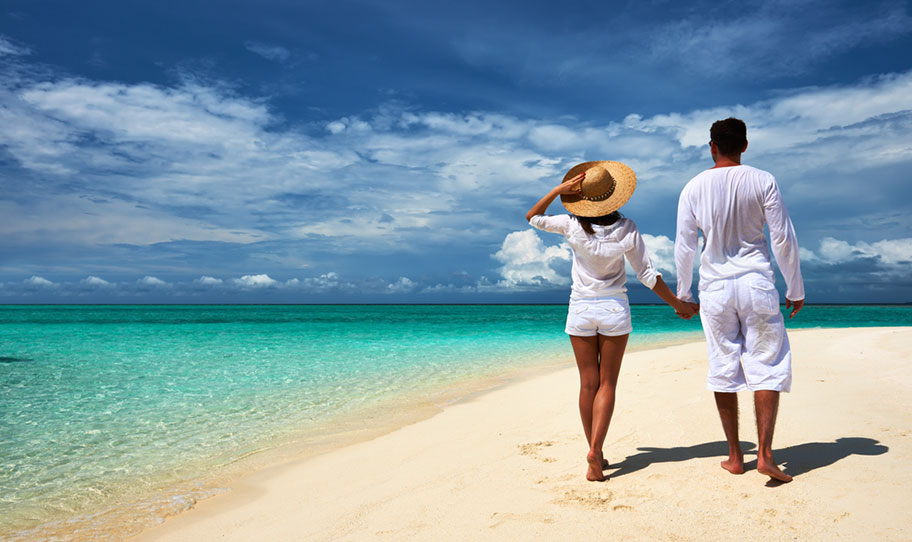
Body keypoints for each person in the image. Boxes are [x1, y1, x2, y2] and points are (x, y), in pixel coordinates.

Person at [527, 160, 699, 482]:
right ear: (613, 196)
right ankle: (596, 449)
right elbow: (648, 276)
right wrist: (678, 304)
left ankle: (596, 453)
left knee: (587, 384)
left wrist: (557, 190)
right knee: (607, 384)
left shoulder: (571, 225)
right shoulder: (627, 228)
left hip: (580, 310)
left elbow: (533, 217)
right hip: (614, 310)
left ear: (582, 198)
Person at [674, 117, 805, 483]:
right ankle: (764, 454)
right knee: (767, 363)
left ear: (711, 146)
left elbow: (685, 246)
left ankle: (735, 456)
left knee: (722, 365)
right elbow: (782, 238)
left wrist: (683, 294)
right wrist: (795, 287)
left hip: (714, 288)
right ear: (745, 146)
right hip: (756, 282)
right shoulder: (762, 180)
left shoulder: (693, 187)